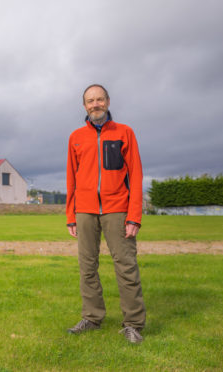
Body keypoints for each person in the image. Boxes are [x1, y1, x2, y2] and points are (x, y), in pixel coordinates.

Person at [65, 84, 146, 344]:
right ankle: (91, 317)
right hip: (85, 211)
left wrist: (134, 216)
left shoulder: (125, 133)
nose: (95, 104)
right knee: (87, 267)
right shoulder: (75, 137)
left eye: (100, 99)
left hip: (118, 209)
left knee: (126, 266)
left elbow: (136, 174)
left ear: (108, 102)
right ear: (84, 106)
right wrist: (71, 214)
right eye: (90, 101)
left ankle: (133, 324)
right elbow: (71, 178)